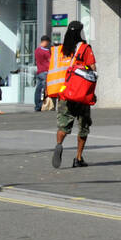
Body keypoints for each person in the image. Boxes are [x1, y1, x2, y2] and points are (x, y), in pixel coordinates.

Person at [53, 21, 96, 169]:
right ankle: (78, 157)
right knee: (83, 126)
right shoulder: (85, 48)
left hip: (65, 93)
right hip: (81, 95)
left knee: (63, 125)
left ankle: (59, 144)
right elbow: (93, 70)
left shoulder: (61, 50)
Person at [33, 35, 52, 112]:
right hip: (45, 72)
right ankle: (43, 105)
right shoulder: (46, 51)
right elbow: (51, 61)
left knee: (38, 89)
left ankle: (37, 105)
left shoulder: (37, 50)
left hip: (39, 71)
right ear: (46, 41)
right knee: (44, 90)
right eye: (48, 42)